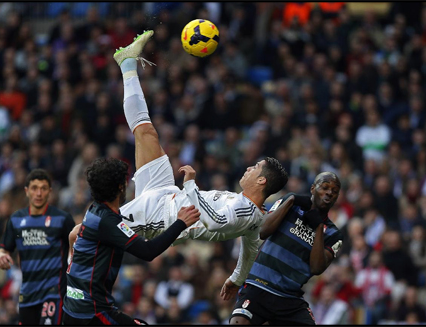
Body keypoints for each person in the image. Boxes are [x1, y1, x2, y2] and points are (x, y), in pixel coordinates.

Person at [82, 29, 287, 298]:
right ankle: (128, 63)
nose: (249, 168)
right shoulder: (256, 217)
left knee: (92, 226)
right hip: (167, 193)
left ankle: (68, 250)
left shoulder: (245, 211)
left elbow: (214, 222)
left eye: (255, 168)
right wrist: (237, 278)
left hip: (161, 217)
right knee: (146, 132)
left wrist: (190, 184)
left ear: (262, 181)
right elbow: (250, 251)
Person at [62, 157, 200, 325]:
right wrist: (180, 223)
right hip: (91, 312)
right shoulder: (107, 221)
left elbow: (73, 235)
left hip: (73, 308)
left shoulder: (93, 210)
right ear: (121, 187)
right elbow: (148, 251)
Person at [229, 172, 344, 325]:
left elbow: (316, 268)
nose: (329, 193)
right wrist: (290, 200)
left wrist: (318, 227)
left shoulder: (333, 234)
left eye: (334, 191)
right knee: (238, 322)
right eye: (325, 187)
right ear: (312, 189)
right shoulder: (290, 204)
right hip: (259, 285)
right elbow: (263, 231)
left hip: (289, 298)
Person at [0, 169, 75, 325]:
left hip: (54, 292)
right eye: (34, 188)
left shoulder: (62, 219)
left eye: (43, 188)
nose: (39, 193)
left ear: (50, 191)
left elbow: (76, 249)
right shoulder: (16, 219)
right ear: (26, 191)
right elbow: (4, 248)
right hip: (27, 293)